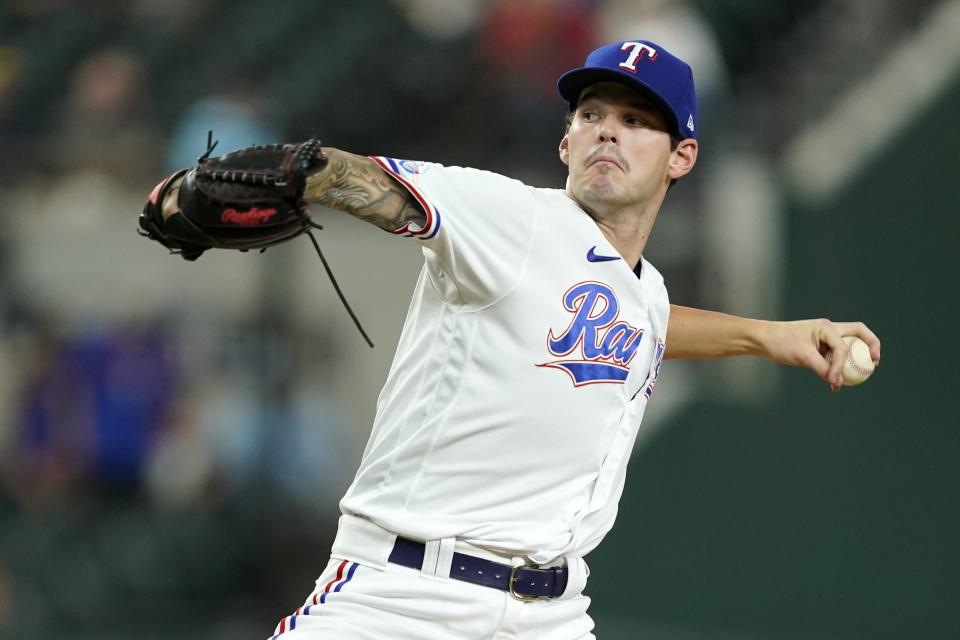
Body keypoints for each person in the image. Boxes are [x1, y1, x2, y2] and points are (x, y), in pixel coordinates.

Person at [159, 39, 880, 640]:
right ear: (565, 141)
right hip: (402, 601)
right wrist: (312, 174)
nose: (607, 129)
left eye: (636, 120)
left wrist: (773, 337)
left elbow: (647, 324)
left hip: (550, 616)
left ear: (681, 157)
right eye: (593, 112)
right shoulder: (512, 219)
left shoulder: (642, 290)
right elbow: (378, 186)